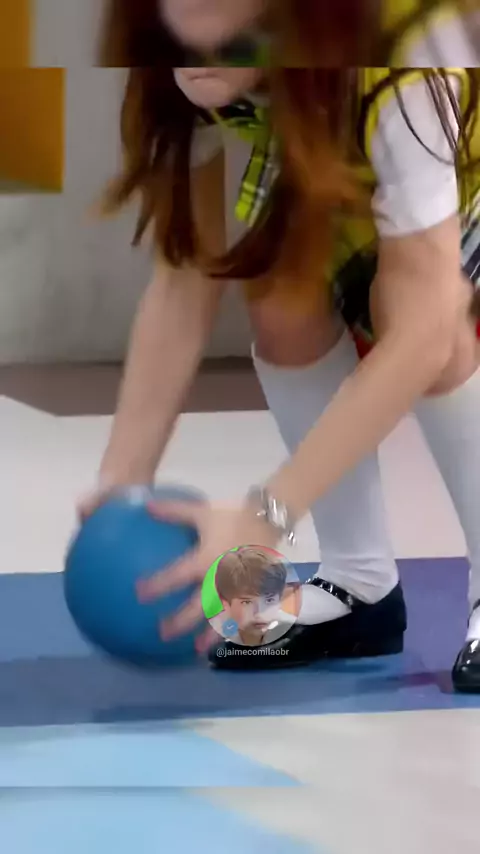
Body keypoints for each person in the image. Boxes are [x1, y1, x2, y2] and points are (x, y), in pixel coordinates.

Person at [83, 0, 480, 689]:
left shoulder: (402, 58)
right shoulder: (183, 49)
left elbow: (422, 332)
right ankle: (359, 585)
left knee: (418, 316)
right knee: (278, 291)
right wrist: (122, 482)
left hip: (452, 152)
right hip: (340, 145)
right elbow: (185, 277)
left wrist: (264, 515)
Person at [211, 546, 297, 646]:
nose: (260, 613)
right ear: (225, 604)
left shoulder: (294, 632)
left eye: (269, 600)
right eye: (247, 602)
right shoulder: (211, 640)